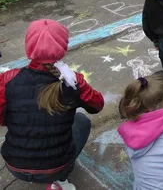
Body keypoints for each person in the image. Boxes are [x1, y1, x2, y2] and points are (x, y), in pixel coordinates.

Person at [0, 19, 104, 190]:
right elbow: (97, 106)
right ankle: (60, 180)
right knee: (81, 121)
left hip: (14, 165)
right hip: (55, 167)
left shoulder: (7, 79)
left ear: (29, 47)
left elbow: (2, 119)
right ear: (63, 48)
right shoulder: (73, 81)